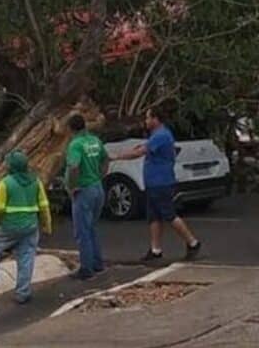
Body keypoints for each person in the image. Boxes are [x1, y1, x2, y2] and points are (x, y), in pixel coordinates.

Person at [111, 107, 201, 261]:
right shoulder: (157, 135)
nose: (145, 122)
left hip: (161, 181)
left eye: (147, 118)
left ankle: (192, 242)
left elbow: (140, 152)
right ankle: (155, 249)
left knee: (169, 214)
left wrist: (117, 156)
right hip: (153, 182)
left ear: (155, 119)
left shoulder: (161, 135)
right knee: (153, 217)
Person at [0, 150, 52, 304]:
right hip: (30, 226)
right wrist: (47, 225)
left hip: (9, 225)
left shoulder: (6, 183)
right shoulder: (36, 182)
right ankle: (23, 293)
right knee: (26, 257)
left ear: (11, 166)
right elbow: (44, 206)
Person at [65, 114, 109, 280]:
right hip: (97, 187)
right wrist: (101, 176)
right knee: (91, 228)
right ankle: (97, 263)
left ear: (70, 128)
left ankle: (86, 268)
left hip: (84, 191)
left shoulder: (75, 145)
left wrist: (72, 186)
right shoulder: (94, 141)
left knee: (82, 231)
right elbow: (106, 159)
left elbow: (74, 166)